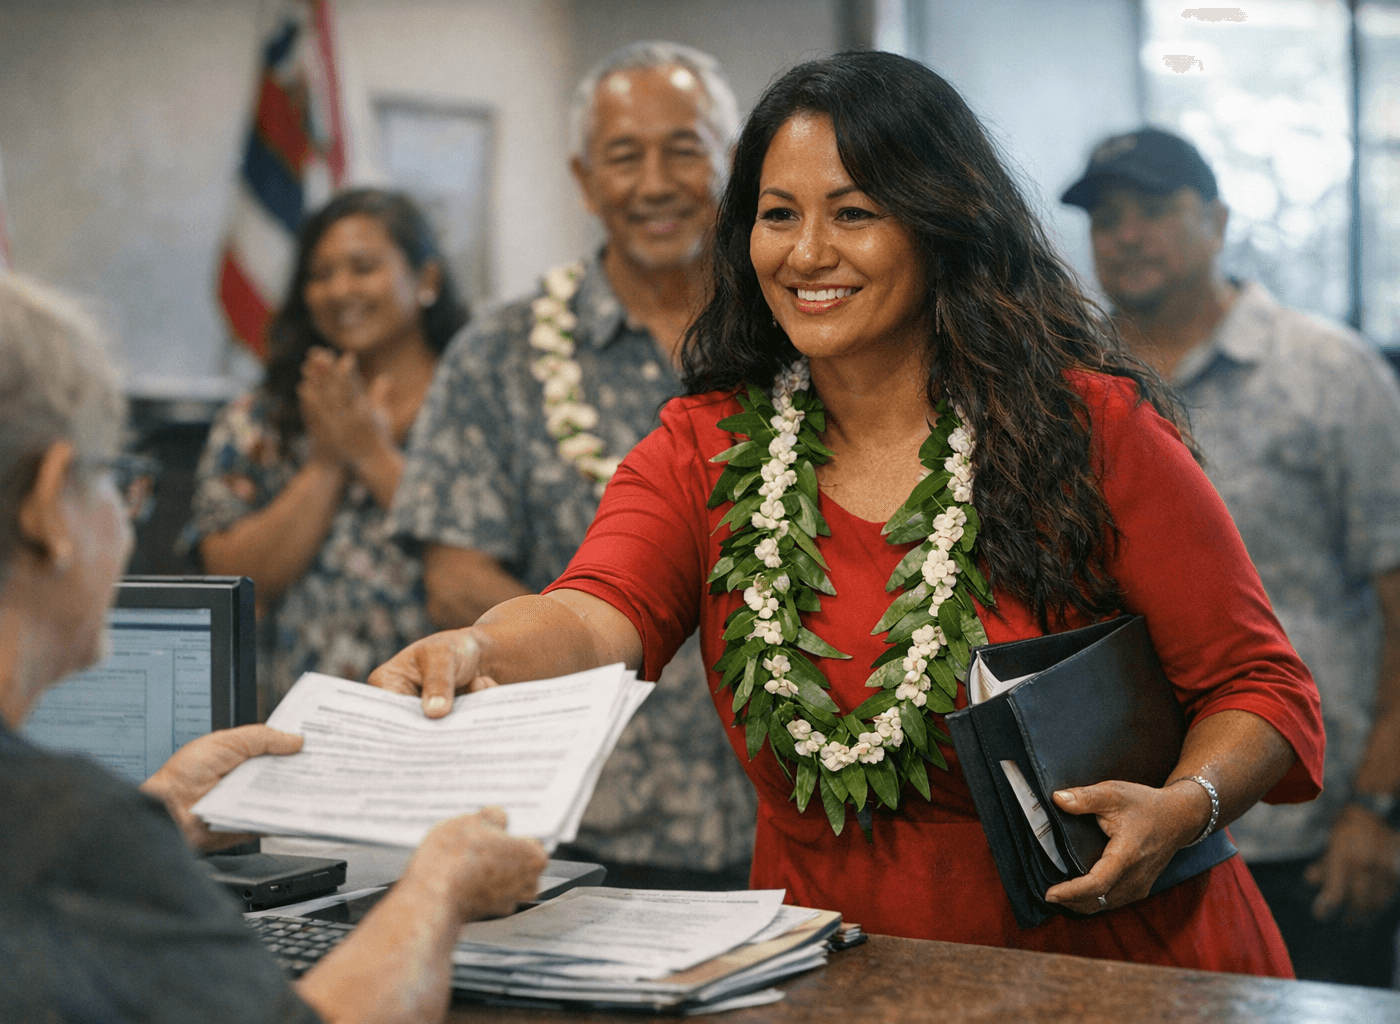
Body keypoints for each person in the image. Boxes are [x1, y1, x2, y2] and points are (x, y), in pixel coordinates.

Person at [370, 52, 1326, 975]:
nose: (808, 253)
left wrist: (1187, 805)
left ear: (941, 224)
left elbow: (1260, 685)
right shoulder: (702, 444)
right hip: (836, 974)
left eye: (855, 213)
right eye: (777, 215)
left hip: (1114, 966)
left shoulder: (1091, 428)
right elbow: (594, 610)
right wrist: (481, 650)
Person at [0, 265, 546, 1023]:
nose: (125, 519)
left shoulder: (38, 829)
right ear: (47, 507)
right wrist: (439, 888)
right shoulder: (70, 834)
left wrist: (158, 813)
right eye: (117, 480)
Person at [386, 41, 756, 888]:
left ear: (733, 163)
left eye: (685, 147)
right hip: (581, 815)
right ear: (586, 180)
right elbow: (454, 576)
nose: (656, 182)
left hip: (806, 805)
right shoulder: (501, 352)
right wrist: (622, 633)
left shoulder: (803, 335)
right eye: (625, 156)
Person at [1062, 127, 1400, 987]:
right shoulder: (1060, 385)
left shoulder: (1330, 374)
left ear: (1215, 218)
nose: (1126, 235)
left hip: (1303, 830)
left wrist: (1379, 809)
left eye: (1153, 210)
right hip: (1120, 830)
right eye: (1106, 218)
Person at [188, 188, 469, 715]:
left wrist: (372, 454)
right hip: (298, 720)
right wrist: (327, 460)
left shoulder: (483, 410)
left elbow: (498, 578)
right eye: (320, 275)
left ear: (426, 279)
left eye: (363, 267)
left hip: (447, 712)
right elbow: (232, 582)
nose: (340, 290)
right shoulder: (259, 420)